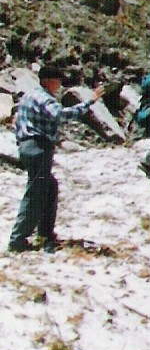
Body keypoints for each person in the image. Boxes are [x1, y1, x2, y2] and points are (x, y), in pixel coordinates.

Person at [9, 65, 104, 253]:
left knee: (49, 187)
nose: (59, 85)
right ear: (49, 81)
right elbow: (61, 115)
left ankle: (45, 233)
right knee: (36, 193)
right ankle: (17, 240)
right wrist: (89, 102)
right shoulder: (43, 97)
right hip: (38, 147)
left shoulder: (29, 96)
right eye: (58, 81)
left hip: (28, 147)